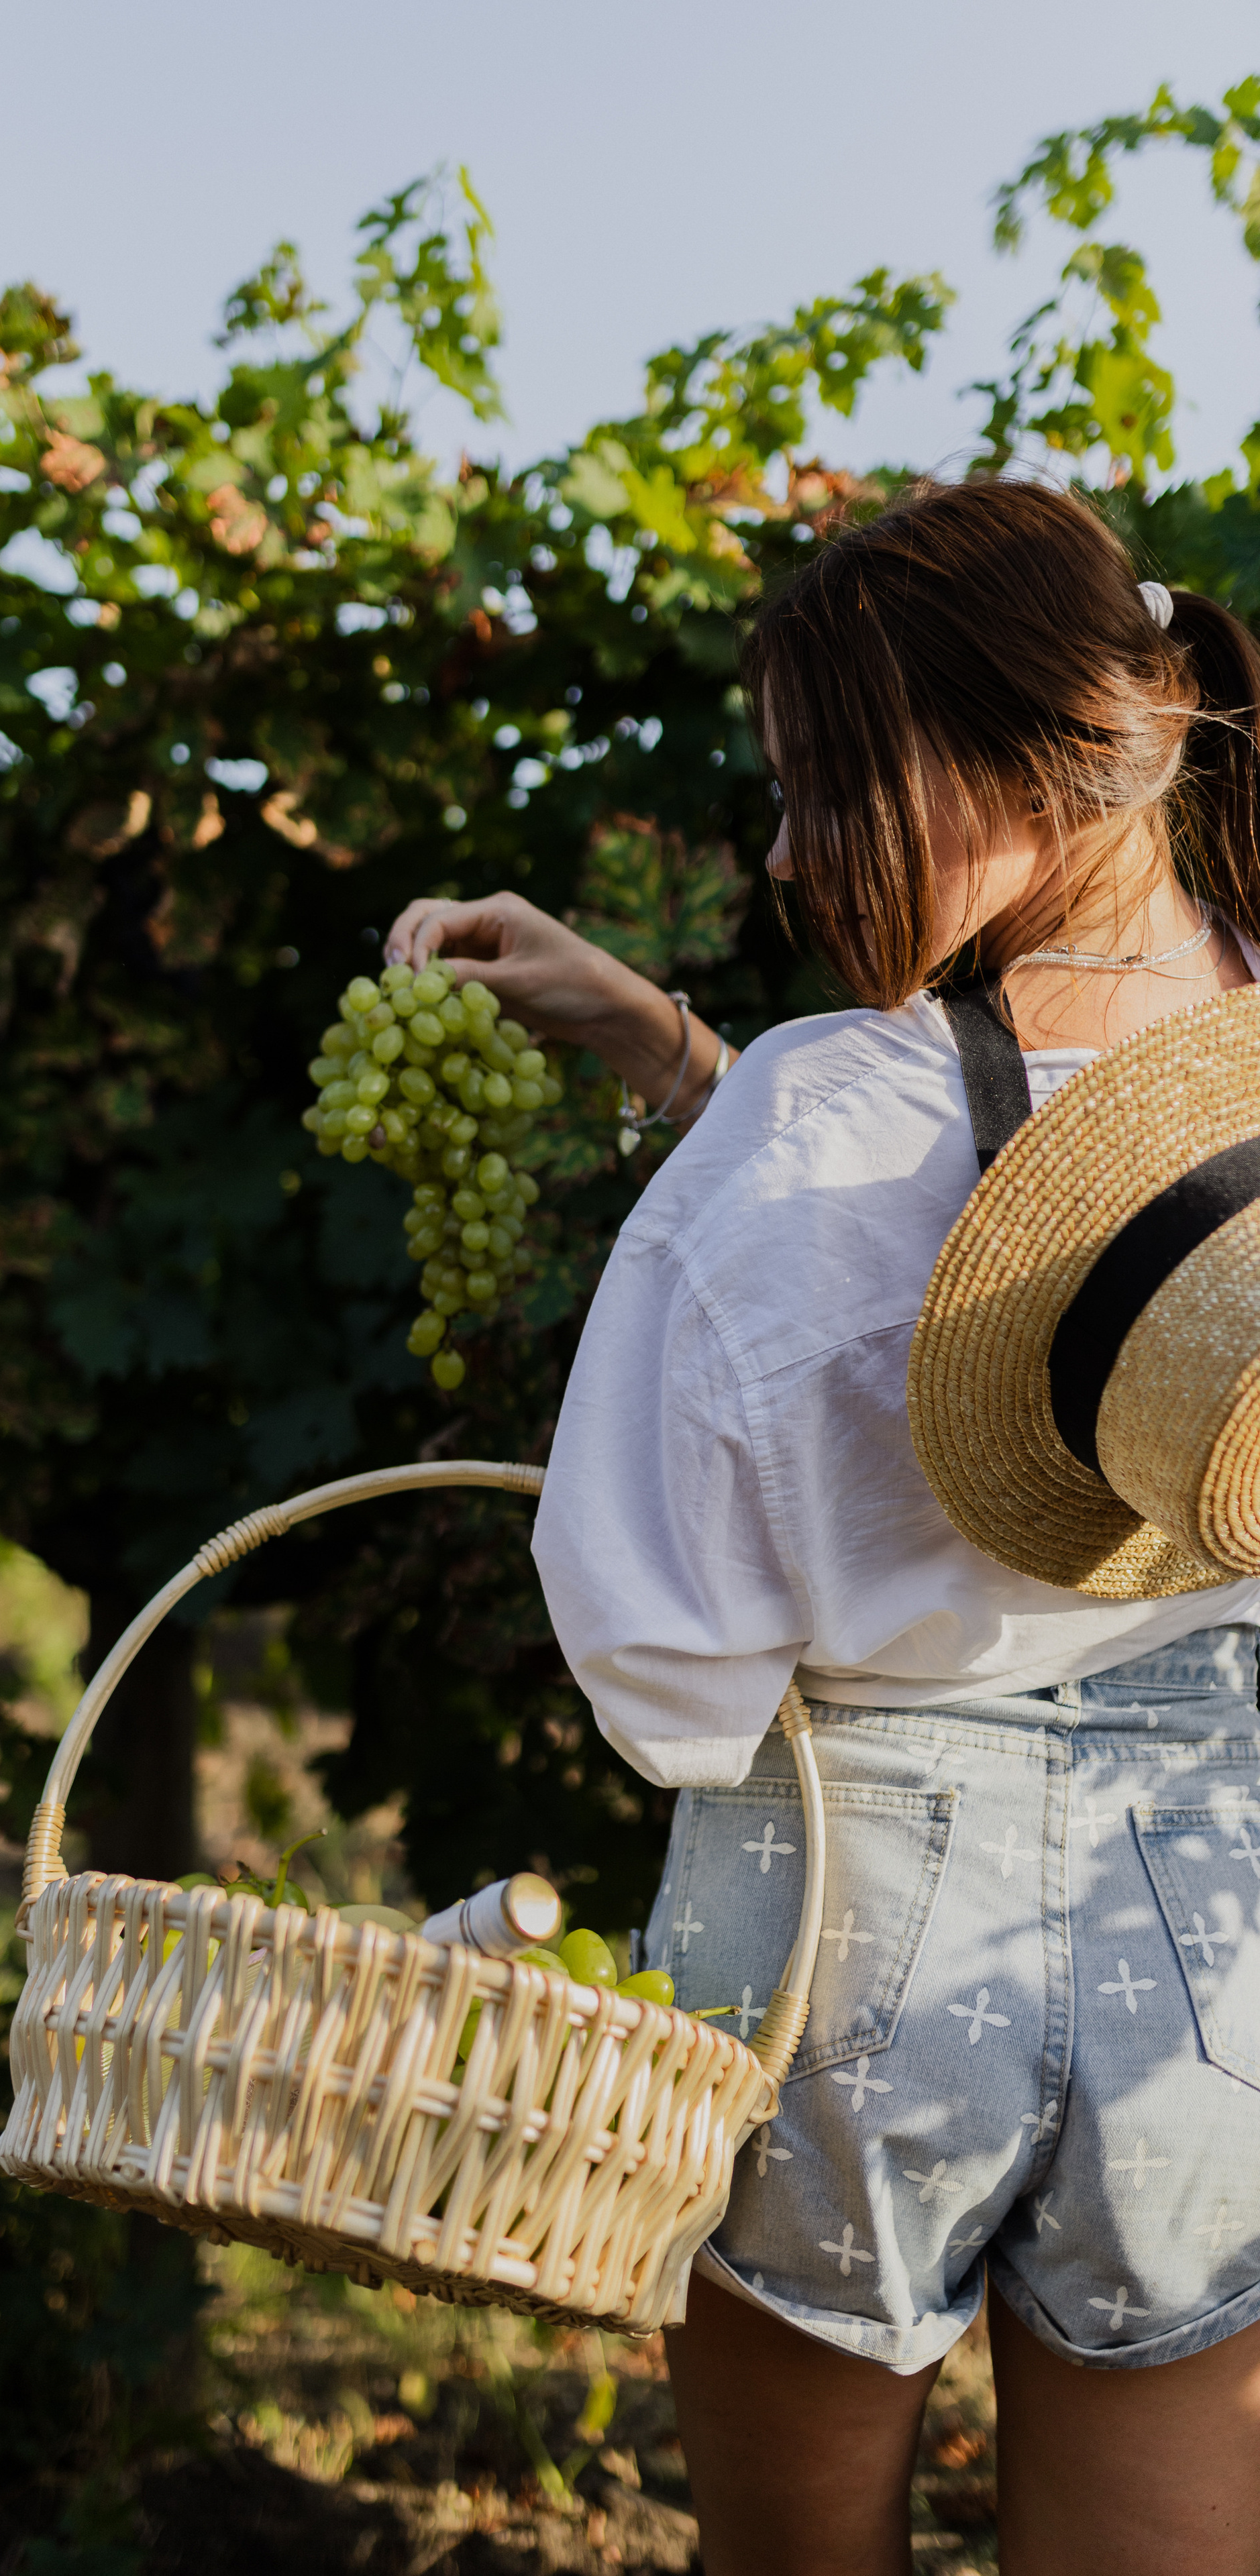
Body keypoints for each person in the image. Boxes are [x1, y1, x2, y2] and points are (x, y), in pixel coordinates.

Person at [384, 477, 1260, 2576]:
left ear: (1010, 764)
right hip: (1220, 1926)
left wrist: (734, 1093)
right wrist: (680, 1048)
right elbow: (1045, 1226)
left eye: (821, 791)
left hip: (854, 1909)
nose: (787, 856)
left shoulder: (812, 1113)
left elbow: (670, 1672)